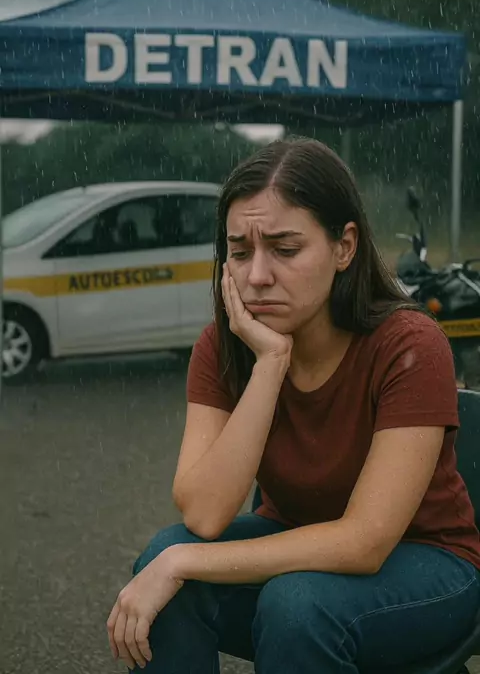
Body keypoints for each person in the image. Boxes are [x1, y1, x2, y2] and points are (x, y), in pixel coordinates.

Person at [107, 138, 480, 673]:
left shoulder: (411, 345)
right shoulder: (223, 347)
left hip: (428, 563)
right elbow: (205, 514)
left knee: (294, 604)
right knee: (163, 566)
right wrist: (270, 364)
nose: (257, 276)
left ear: (344, 247)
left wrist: (182, 560)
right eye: (240, 253)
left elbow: (365, 542)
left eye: (285, 250)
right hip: (297, 551)